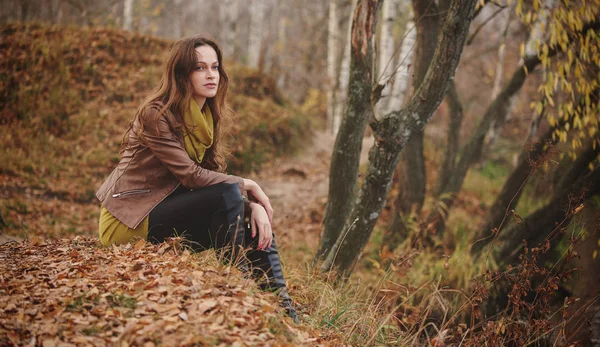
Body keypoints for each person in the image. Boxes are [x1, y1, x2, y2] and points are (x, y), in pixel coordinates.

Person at [95, 35, 298, 322]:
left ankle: (283, 310)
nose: (210, 75)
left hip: (165, 209)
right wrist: (248, 185)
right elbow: (192, 176)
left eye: (215, 67)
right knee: (229, 193)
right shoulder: (157, 114)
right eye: (200, 68)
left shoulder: (204, 116)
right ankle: (237, 289)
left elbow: (209, 183)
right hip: (129, 221)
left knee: (246, 213)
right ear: (182, 74)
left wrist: (252, 207)